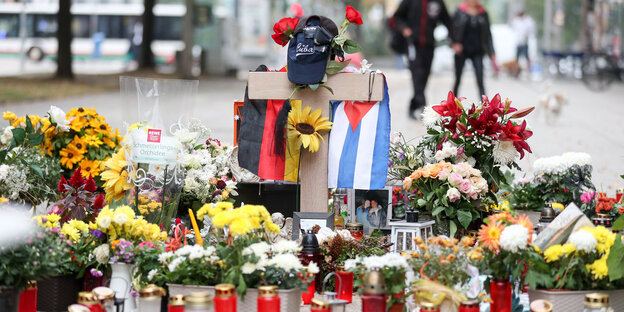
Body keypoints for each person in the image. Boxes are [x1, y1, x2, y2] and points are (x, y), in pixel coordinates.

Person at [393, 0, 456, 120]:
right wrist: (404, 29)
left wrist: (454, 40)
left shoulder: (438, 2)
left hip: (429, 45)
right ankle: (423, 107)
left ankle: (412, 106)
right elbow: (397, 17)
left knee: (424, 77)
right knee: (417, 75)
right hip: (412, 44)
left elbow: (447, 21)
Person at [451, 0, 494, 97]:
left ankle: (485, 106)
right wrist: (454, 44)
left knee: (480, 80)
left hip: (478, 51)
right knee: (457, 79)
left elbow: (488, 34)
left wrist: (492, 52)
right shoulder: (459, 12)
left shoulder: (483, 13)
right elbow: (451, 29)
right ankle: (452, 105)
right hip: (462, 51)